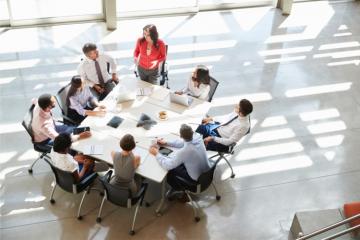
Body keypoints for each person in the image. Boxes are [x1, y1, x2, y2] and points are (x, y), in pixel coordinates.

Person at [149, 124, 210, 192]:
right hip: (207, 173)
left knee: (170, 171)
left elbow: (167, 165)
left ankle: (180, 191)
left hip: (197, 181)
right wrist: (166, 143)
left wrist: (156, 154)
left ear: (180, 136)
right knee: (178, 162)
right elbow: (184, 143)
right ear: (192, 132)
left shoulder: (184, 151)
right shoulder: (198, 137)